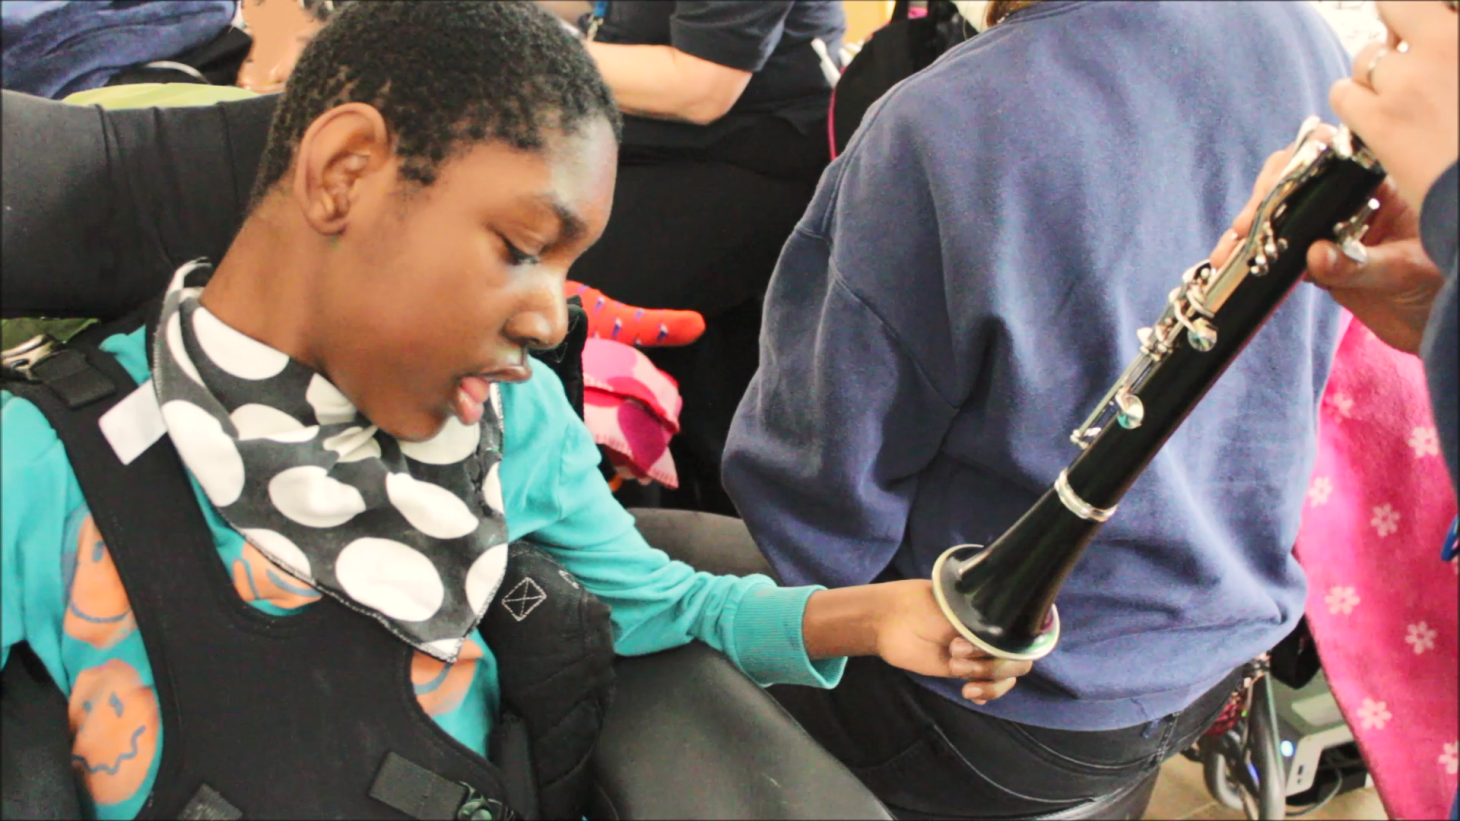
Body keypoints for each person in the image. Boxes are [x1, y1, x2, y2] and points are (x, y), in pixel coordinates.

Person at [0, 4, 1027, 819]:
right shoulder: (39, 467)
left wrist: (876, 615)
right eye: (520, 246)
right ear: (345, 173)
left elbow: (662, 603)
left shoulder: (510, 419)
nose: (551, 317)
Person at [720, 1, 1354, 818]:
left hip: (995, 698)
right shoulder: (1300, 33)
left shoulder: (939, 124)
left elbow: (818, 521)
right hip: (1212, 649)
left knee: (662, 594)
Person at [561, 0, 848, 513]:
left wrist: (523, 45)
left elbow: (701, 85)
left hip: (746, 153)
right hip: (641, 144)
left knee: (547, 288)